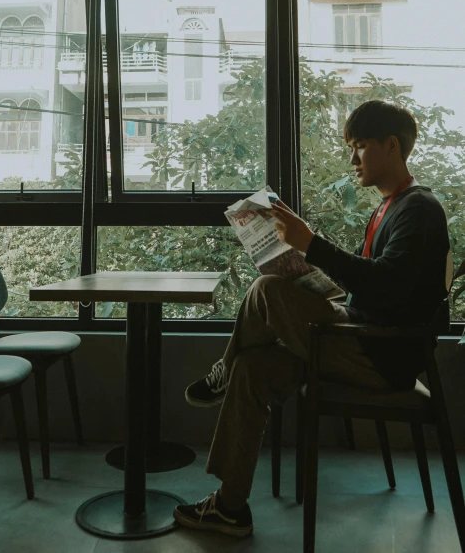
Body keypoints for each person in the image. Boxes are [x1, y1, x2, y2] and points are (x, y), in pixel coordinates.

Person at [173, 100, 451, 538]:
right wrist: (312, 276)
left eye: (360, 147)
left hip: (377, 355)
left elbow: (387, 285)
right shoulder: (388, 208)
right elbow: (377, 289)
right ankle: (229, 508)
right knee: (253, 367)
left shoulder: (418, 209)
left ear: (392, 146)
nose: (352, 159)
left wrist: (311, 244)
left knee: (266, 289)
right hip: (360, 336)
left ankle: (224, 367)